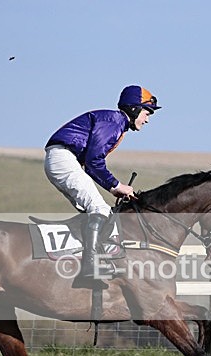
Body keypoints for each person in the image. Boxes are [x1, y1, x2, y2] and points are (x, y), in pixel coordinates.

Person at [44, 85, 161, 287]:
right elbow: (93, 161)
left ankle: (86, 256)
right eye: (146, 112)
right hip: (63, 157)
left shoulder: (115, 123)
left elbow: (91, 164)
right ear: (134, 109)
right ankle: (90, 266)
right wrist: (116, 186)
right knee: (100, 209)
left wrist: (113, 187)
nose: (147, 119)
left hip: (63, 158)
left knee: (95, 210)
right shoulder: (113, 122)